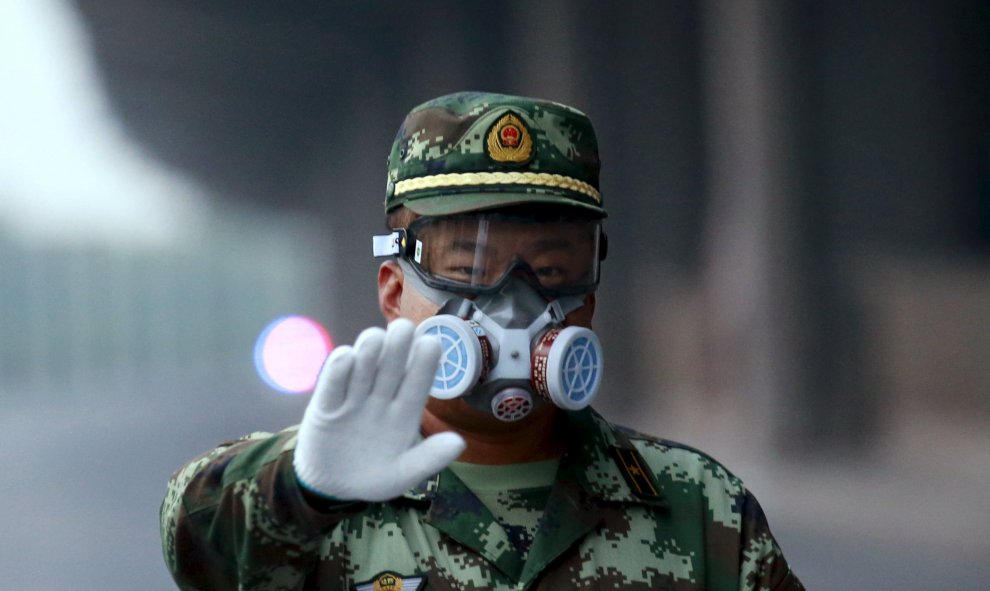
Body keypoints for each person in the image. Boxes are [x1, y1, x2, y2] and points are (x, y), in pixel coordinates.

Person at [160, 91, 804, 591]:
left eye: (551, 269)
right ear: (392, 292)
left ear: (590, 298)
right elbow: (195, 539)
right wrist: (301, 492)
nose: (513, 300)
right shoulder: (317, 496)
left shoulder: (698, 505)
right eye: (468, 266)